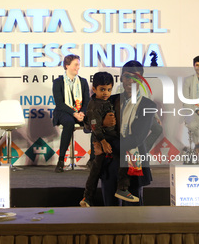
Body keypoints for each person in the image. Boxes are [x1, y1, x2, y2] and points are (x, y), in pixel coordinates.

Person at [97, 60, 155, 206]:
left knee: (135, 216)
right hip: (109, 165)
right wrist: (101, 124)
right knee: (109, 212)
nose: (131, 81)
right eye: (127, 76)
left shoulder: (148, 105)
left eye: (136, 77)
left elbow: (136, 138)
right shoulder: (109, 100)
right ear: (121, 78)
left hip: (134, 164)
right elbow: (88, 125)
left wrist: (106, 145)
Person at [79, 72, 139, 207]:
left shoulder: (143, 103)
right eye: (102, 89)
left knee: (96, 169)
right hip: (107, 141)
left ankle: (87, 198)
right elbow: (90, 125)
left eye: (108, 89)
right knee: (121, 155)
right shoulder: (101, 102)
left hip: (112, 143)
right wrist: (102, 139)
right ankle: (122, 189)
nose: (106, 92)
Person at [52, 54, 90, 173]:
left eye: (78, 64)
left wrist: (82, 113)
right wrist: (74, 113)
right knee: (68, 123)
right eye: (76, 65)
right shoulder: (58, 82)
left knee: (95, 122)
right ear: (67, 66)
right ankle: (61, 160)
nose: (78, 67)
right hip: (63, 112)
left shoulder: (83, 82)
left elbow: (87, 101)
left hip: (80, 113)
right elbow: (60, 103)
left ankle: (93, 160)